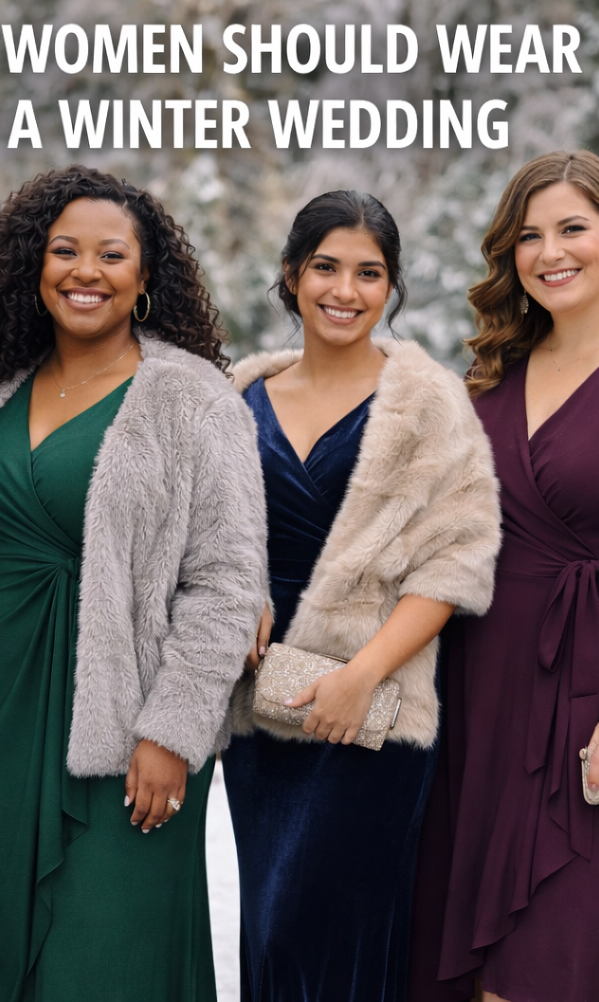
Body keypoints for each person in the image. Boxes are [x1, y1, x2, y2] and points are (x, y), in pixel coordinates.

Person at [0, 164, 266, 1002]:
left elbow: (224, 580)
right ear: (33, 267)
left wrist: (173, 731)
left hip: (129, 726)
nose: (85, 271)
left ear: (146, 277)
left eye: (111, 255)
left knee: (108, 958)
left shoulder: (192, 399)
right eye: (64, 251)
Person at [408, 150, 599, 1002]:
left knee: (566, 957)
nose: (550, 252)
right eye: (528, 237)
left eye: (572, 228)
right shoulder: (494, 380)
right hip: (487, 695)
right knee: (478, 970)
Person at [221, 190, 502, 1002]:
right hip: (262, 706)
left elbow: (456, 561)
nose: (345, 291)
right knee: (271, 926)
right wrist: (240, 592)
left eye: (369, 273)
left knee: (342, 923)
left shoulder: (428, 401)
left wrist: (361, 676)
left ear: (391, 287)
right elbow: (206, 539)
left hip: (374, 705)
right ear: (291, 276)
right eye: (326, 268)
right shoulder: (237, 398)